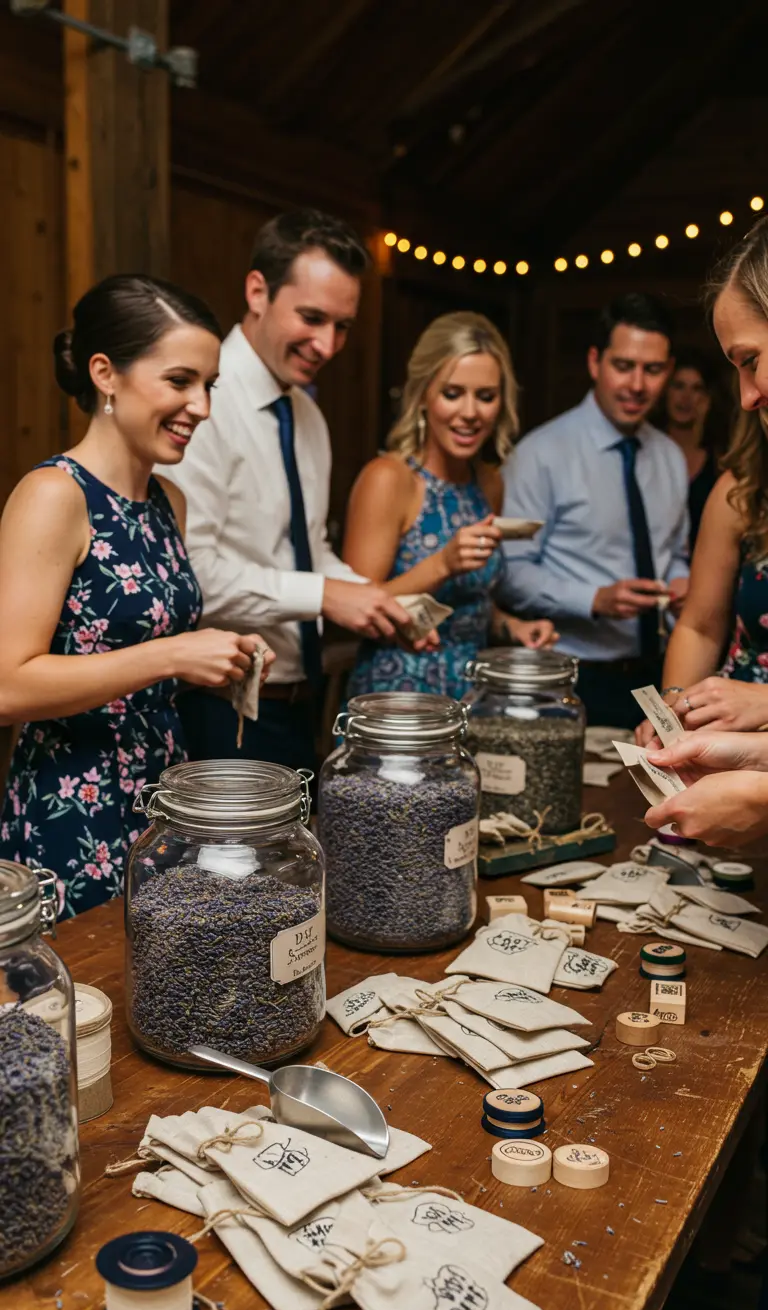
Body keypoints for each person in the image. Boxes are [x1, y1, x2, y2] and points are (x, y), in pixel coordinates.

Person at [0, 275, 274, 917]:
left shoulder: (166, 501)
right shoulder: (54, 495)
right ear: (106, 374)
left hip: (165, 805)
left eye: (208, 386)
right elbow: (8, 686)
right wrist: (174, 654)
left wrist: (221, 661)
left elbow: (138, 658)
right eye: (180, 381)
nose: (201, 407)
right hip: (74, 810)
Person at [162, 208, 417, 774]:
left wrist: (373, 601)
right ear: (258, 291)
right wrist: (326, 595)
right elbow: (193, 575)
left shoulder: (306, 412)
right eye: (311, 318)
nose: (326, 344)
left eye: (342, 326)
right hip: (219, 706)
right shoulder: (200, 405)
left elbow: (306, 546)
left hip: (301, 699)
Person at [341, 311, 557, 699]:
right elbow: (354, 613)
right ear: (424, 395)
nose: (470, 413)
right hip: (398, 697)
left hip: (472, 694)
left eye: (486, 396)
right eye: (453, 393)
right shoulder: (389, 479)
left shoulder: (488, 483)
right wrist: (441, 565)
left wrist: (511, 626)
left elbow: (470, 600)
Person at [498, 293, 690, 729]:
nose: (637, 385)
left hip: (660, 673)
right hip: (571, 676)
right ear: (594, 363)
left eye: (653, 369)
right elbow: (512, 574)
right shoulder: (541, 454)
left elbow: (675, 550)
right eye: (623, 366)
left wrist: (682, 582)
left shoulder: (670, 457)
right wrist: (595, 599)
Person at [637, 217, 768, 739]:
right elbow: (699, 624)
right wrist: (672, 709)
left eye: (750, 360)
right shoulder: (746, 488)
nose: (745, 396)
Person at [658, 346, 721, 549]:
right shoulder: (646, 452)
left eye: (696, 389)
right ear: (665, 391)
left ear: (707, 398)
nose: (686, 397)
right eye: (678, 386)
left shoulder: (720, 460)